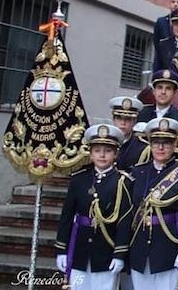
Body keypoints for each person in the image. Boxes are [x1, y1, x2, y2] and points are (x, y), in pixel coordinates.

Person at [55, 124, 133, 290]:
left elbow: (124, 222)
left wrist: (120, 254)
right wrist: (61, 249)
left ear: (116, 153)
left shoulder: (123, 182)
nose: (102, 155)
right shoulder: (79, 179)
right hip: (79, 249)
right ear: (90, 153)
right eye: (97, 150)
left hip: (106, 250)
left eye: (108, 151)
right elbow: (67, 216)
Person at [129, 118, 178, 289]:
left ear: (174, 145)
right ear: (150, 145)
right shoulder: (138, 172)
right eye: (156, 143)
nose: (160, 148)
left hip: (168, 250)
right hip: (139, 247)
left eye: (166, 143)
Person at [109, 96, 146, 171]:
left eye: (128, 119)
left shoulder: (142, 148)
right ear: (113, 119)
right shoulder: (103, 142)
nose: (123, 123)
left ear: (135, 121)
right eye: (119, 118)